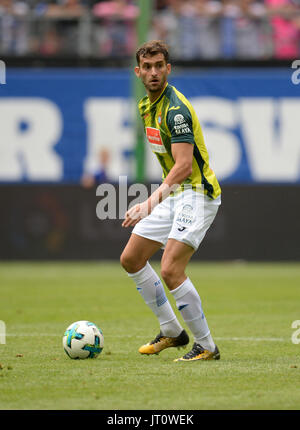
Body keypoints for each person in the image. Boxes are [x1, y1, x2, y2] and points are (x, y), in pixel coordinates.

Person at [120, 40, 221, 362]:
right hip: (177, 194)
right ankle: (172, 331)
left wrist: (148, 203)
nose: (153, 72)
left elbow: (183, 166)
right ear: (138, 72)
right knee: (132, 258)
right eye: (146, 67)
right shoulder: (146, 106)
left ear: (168, 69)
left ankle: (206, 346)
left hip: (197, 193)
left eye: (158, 66)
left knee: (171, 269)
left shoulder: (175, 110)